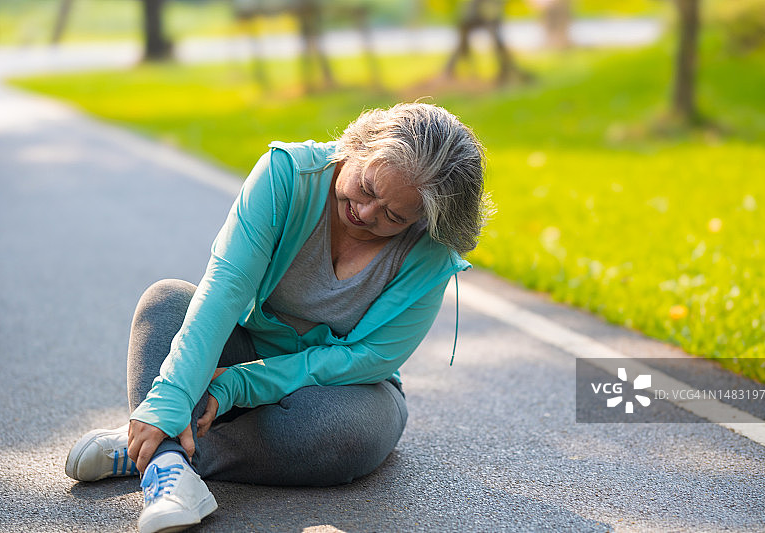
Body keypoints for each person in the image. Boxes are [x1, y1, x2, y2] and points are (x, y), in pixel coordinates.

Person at [64, 102, 489, 533]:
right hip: (243, 346)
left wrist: (238, 384)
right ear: (358, 145)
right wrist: (172, 395)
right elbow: (225, 290)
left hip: (340, 387)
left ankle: (156, 449)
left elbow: (368, 359)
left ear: (422, 220)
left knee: (350, 432)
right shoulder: (286, 174)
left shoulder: (431, 254)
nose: (365, 213)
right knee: (166, 302)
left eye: (393, 216)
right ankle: (167, 466)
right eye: (365, 187)